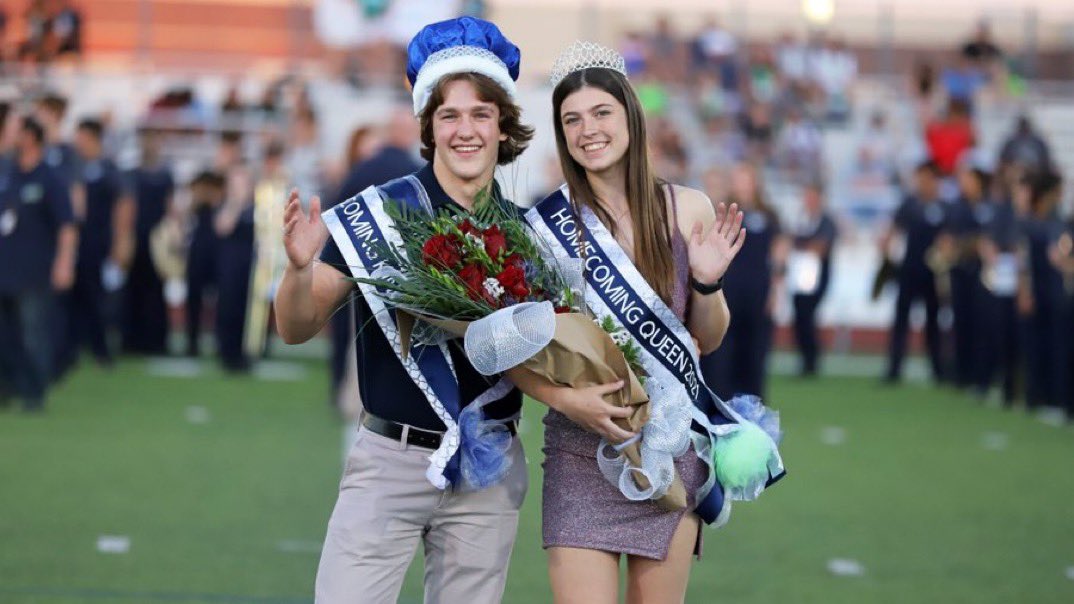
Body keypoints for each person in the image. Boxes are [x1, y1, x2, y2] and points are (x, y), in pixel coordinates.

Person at [276, 18, 533, 603]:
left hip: (488, 470)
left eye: (480, 115)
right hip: (389, 460)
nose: (464, 131)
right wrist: (296, 270)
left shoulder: (526, 234)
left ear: (502, 126)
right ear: (429, 126)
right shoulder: (379, 216)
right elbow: (294, 327)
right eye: (449, 115)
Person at [518, 42, 776, 603]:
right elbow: (522, 350)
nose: (588, 130)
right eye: (572, 120)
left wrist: (705, 282)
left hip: (670, 446)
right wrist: (567, 403)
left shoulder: (689, 209)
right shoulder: (544, 227)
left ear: (630, 116)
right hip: (581, 447)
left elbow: (706, 338)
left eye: (601, 113)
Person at [327, 107, 421, 405]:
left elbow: (338, 208)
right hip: (399, 271)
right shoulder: (417, 171)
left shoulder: (365, 167)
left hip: (352, 260)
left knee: (347, 329)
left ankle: (340, 388)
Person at [0, 117, 77, 411]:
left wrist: (64, 263)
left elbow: (67, 225)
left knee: (33, 333)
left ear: (31, 137)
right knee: (5, 335)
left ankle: (35, 392)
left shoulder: (51, 178)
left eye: (16, 133)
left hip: (34, 270)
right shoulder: (8, 173)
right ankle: (7, 387)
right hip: (4, 268)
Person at [702, 162, 787, 400]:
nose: (740, 184)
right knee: (723, 351)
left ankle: (753, 405)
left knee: (756, 350)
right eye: (736, 178)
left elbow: (779, 253)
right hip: (727, 291)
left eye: (745, 178)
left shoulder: (770, 215)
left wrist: (776, 290)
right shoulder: (722, 213)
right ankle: (721, 404)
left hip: (758, 291)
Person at [68, 118, 134, 366]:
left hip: (99, 242)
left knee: (97, 296)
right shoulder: (75, 166)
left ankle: (101, 348)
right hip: (78, 241)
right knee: (75, 296)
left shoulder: (109, 169)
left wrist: (121, 240)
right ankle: (74, 346)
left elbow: (124, 204)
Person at [882, 160, 948, 384]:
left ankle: (938, 369)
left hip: (933, 272)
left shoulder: (944, 206)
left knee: (933, 322)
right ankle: (894, 368)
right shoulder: (910, 204)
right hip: (908, 270)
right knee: (901, 319)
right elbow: (894, 228)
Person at [122, 129, 174, 355]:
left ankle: (156, 341)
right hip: (136, 237)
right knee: (133, 290)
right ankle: (132, 340)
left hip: (158, 239)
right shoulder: (131, 173)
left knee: (155, 291)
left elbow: (170, 207)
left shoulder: (165, 175)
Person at [789, 182, 837, 376]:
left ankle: (811, 360)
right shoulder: (802, 219)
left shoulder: (825, 222)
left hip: (816, 274)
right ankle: (805, 358)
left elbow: (820, 247)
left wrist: (800, 248)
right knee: (800, 316)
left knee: (807, 315)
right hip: (800, 273)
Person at [183, 170, 224, 358]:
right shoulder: (195, 205)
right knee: (193, 298)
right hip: (198, 252)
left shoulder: (220, 203)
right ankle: (192, 341)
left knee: (222, 299)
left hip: (218, 251)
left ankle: (220, 341)